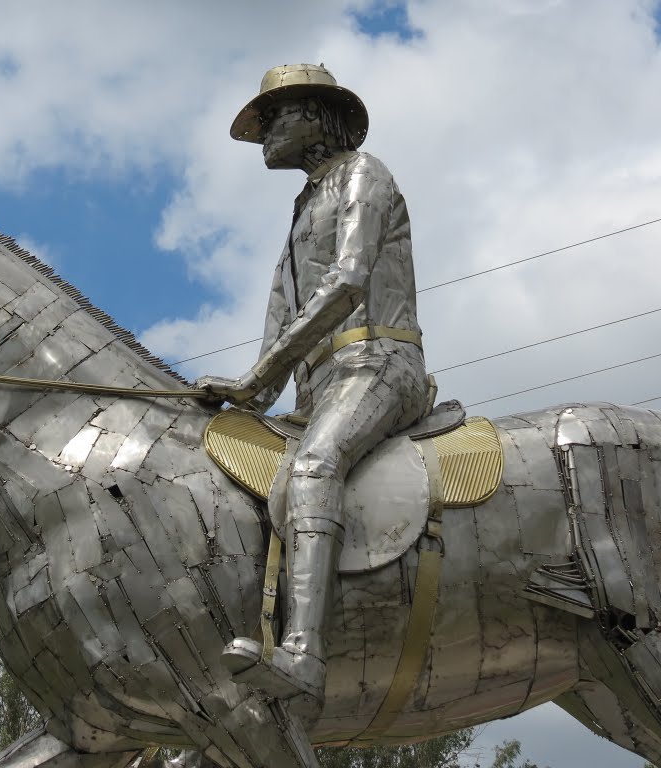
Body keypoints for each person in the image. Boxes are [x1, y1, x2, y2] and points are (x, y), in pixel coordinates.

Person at [195, 63, 430, 710]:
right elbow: (279, 319)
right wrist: (248, 398)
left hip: (379, 365)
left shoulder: (364, 175)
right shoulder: (303, 208)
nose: (265, 132)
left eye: (276, 116)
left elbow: (350, 280)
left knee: (318, 463)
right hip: (318, 389)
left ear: (317, 117)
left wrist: (260, 376)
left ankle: (303, 655)